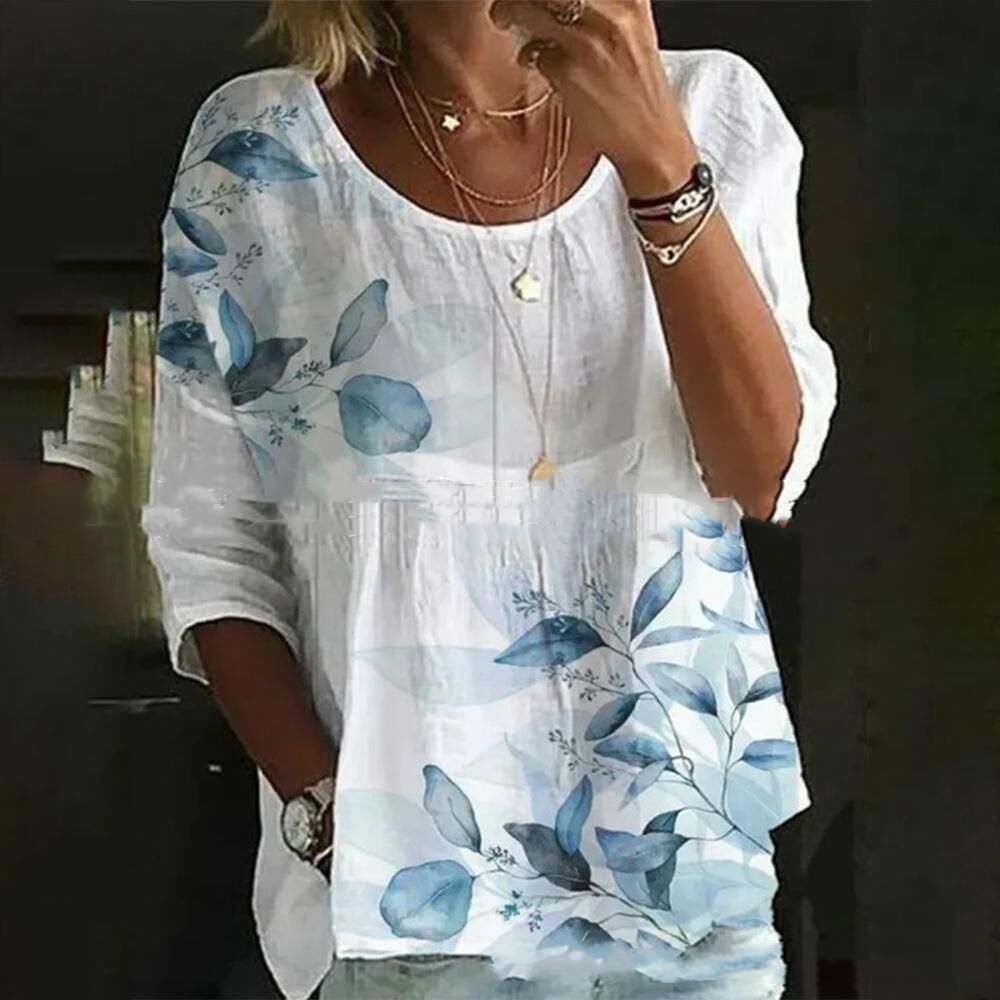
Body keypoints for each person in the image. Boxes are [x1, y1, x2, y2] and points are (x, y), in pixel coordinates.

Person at [143, 1, 838, 998]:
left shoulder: (711, 108)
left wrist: (656, 161)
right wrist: (330, 820)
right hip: (400, 914)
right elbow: (212, 546)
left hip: (678, 893)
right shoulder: (258, 150)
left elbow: (764, 466)